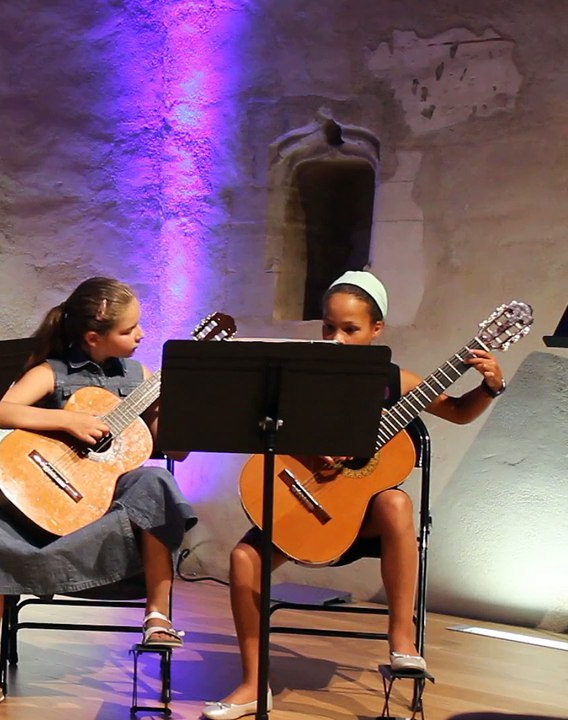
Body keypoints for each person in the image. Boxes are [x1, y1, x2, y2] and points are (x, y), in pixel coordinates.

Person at [203, 270, 508, 720]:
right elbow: (264, 431)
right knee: (243, 559)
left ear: (376, 330)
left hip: (363, 523)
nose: (337, 338)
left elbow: (460, 413)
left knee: (396, 501)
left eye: (351, 329)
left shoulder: (395, 381)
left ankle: (401, 638)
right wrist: (311, 450)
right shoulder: (299, 377)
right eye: (329, 327)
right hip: (307, 507)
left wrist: (489, 386)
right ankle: (252, 684)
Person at [0, 276, 198, 718]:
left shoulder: (143, 379)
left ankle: (157, 616)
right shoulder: (52, 372)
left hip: (112, 521)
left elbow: (174, 450)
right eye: (129, 330)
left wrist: (175, 407)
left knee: (155, 482)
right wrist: (66, 423)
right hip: (54, 512)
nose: (140, 336)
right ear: (94, 337)